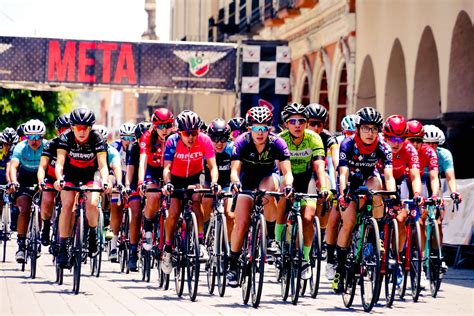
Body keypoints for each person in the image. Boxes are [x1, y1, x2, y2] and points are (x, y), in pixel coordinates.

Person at [226, 106, 294, 287]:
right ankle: (232, 264)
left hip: (267, 178)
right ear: (249, 129)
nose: (260, 133)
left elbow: (287, 171)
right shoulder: (241, 142)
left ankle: (270, 236)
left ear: (270, 129)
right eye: (256, 128)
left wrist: (288, 185)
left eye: (264, 128)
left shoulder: (277, 143)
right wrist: (235, 182)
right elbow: (234, 170)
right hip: (246, 182)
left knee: (269, 190)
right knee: (240, 224)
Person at [333, 106, 396, 293]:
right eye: (366, 128)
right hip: (350, 182)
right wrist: (343, 193)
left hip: (369, 179)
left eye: (374, 129)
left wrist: (392, 197)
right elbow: (342, 173)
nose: (370, 133)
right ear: (359, 128)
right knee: (349, 222)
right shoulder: (347, 144)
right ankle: (340, 269)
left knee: (378, 187)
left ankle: (376, 235)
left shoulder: (383, 145)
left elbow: (389, 175)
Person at [161, 110, 219, 274]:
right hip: (176, 177)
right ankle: (168, 249)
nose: (191, 137)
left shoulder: (205, 140)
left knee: (196, 198)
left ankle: (200, 243)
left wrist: (214, 182)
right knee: (173, 211)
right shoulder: (172, 141)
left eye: (194, 132)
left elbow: (213, 167)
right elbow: (167, 167)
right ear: (180, 132)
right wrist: (168, 183)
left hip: (195, 175)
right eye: (187, 134)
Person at [276, 102, 328, 280]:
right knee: (283, 195)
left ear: (306, 123)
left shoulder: (313, 138)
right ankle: (278, 243)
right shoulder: (280, 138)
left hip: (306, 178)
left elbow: (320, 165)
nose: (297, 125)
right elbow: (279, 167)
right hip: (287, 177)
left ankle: (305, 259)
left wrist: (325, 187)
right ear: (286, 124)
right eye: (293, 121)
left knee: (307, 218)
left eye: (301, 121)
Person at [54, 107, 110, 267]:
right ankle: (63, 248)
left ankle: (92, 234)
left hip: (89, 176)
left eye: (86, 128)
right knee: (66, 205)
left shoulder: (97, 138)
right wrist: (58, 179)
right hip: (70, 175)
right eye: (78, 127)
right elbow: (59, 164)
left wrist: (105, 181)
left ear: (91, 128)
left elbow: (103, 166)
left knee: (92, 204)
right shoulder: (65, 138)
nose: (82, 131)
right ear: (72, 127)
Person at [9, 119, 48, 263]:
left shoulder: (47, 146)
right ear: (26, 137)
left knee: (44, 206)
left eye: (37, 137)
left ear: (42, 137)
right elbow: (13, 166)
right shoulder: (20, 147)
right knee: (24, 209)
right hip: (24, 178)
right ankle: (21, 245)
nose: (34, 140)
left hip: (41, 178)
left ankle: (40, 234)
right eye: (30, 136)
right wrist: (14, 181)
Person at [325, 114, 357, 280]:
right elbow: (334, 167)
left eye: (354, 133)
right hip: (341, 181)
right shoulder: (337, 142)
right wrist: (335, 188)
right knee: (334, 220)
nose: (351, 136)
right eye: (348, 133)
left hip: (359, 182)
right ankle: (330, 259)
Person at [138, 108, 174, 252]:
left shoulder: (176, 137)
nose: (164, 130)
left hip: (170, 170)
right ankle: (147, 226)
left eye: (168, 126)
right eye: (160, 126)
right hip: (152, 170)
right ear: (154, 126)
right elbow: (143, 161)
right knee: (153, 196)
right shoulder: (147, 137)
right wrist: (141, 182)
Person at [37, 114, 70, 247]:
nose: (66, 131)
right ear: (58, 131)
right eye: (63, 128)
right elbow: (42, 167)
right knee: (47, 201)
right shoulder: (51, 144)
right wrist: (41, 181)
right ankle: (45, 226)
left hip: (69, 178)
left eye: (69, 128)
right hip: (51, 177)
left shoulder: (77, 145)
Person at [202, 119, 234, 239]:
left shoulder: (232, 149)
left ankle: (230, 245)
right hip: (208, 183)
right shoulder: (204, 150)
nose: (219, 143)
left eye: (223, 139)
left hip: (227, 185)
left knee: (230, 215)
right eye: (215, 139)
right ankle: (203, 233)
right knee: (206, 202)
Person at [125, 121, 151, 271]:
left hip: (152, 182)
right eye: (142, 138)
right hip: (136, 182)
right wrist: (128, 186)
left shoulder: (155, 146)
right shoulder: (133, 148)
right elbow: (130, 170)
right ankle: (133, 252)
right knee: (135, 214)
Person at [108, 122, 135, 261]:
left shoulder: (135, 148)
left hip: (131, 177)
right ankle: (113, 245)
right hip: (117, 176)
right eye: (126, 138)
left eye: (132, 138)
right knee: (116, 210)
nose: (128, 141)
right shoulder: (114, 147)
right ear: (121, 137)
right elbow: (109, 167)